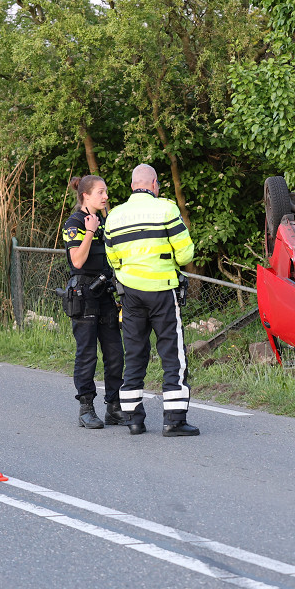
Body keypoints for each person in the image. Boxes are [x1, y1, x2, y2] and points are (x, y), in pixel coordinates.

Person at [104, 164, 199, 436]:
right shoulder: (166, 210)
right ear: (154, 184)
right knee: (172, 355)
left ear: (132, 185)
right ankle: (174, 421)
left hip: (131, 295)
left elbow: (113, 260)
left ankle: (133, 420)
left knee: (134, 354)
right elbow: (185, 255)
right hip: (162, 292)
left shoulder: (114, 216)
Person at [62, 175, 124, 429]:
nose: (105, 196)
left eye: (106, 191)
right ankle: (86, 408)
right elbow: (77, 261)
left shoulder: (106, 222)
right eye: (100, 192)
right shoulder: (74, 223)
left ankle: (114, 407)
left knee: (115, 352)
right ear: (85, 195)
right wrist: (89, 231)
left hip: (105, 292)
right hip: (84, 294)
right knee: (87, 354)